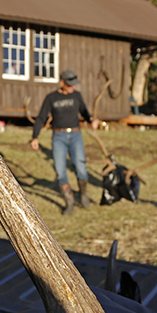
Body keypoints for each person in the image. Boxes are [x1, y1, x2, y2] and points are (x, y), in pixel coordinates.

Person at [30, 69, 100, 215]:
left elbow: (85, 112)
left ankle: (83, 194)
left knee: (81, 168)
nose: (73, 87)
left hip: (76, 135)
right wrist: (35, 137)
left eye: (74, 84)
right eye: (70, 85)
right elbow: (41, 117)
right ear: (62, 82)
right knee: (60, 171)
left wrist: (91, 120)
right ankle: (69, 203)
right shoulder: (51, 98)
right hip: (59, 137)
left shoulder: (77, 96)